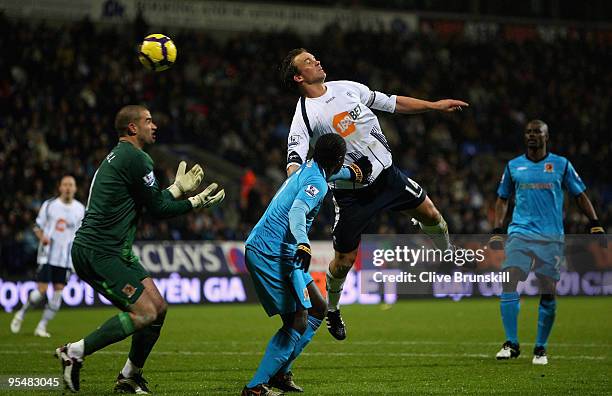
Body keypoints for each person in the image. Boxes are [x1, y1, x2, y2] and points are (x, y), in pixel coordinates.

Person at [280, 48, 469, 340]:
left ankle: (447, 257)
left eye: (315, 57)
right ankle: (332, 309)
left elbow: (392, 103)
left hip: (388, 177)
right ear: (298, 76)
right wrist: (301, 180)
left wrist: (433, 106)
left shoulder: (347, 88)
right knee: (342, 262)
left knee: (433, 215)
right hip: (352, 196)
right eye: (308, 61)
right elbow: (294, 161)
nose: (316, 60)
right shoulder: (304, 115)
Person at [54, 105, 225, 393]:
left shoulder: (123, 157)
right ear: (132, 128)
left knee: (158, 309)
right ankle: (74, 352)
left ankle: (130, 376)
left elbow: (150, 200)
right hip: (99, 251)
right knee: (145, 312)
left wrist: (177, 190)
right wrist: (194, 202)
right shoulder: (136, 158)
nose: (154, 125)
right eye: (148, 121)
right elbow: (158, 209)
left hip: (114, 250)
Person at [243, 133, 371, 395]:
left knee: (318, 308)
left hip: (281, 250)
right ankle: (256, 387)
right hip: (271, 251)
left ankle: (280, 373)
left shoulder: (310, 168)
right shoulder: (317, 182)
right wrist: (303, 242)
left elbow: (330, 175)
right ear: (336, 159)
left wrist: (352, 173)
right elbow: (298, 210)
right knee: (298, 319)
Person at [489, 119, 605, 365]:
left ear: (546, 137)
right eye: (528, 132)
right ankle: (512, 343)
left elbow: (579, 195)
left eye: (537, 132)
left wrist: (594, 222)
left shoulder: (561, 165)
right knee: (509, 280)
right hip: (520, 233)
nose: (532, 136)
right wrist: (498, 229)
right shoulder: (513, 166)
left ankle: (540, 348)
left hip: (550, 236)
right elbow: (502, 198)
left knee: (547, 291)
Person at [10, 175, 85, 337]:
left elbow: (82, 233)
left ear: (75, 188)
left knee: (58, 292)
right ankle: (21, 314)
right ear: (60, 187)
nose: (67, 188)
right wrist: (41, 237)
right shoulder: (50, 205)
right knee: (42, 290)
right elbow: (37, 227)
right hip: (48, 255)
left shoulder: (80, 209)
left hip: (66, 259)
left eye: (71, 185)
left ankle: (41, 326)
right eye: (65, 184)